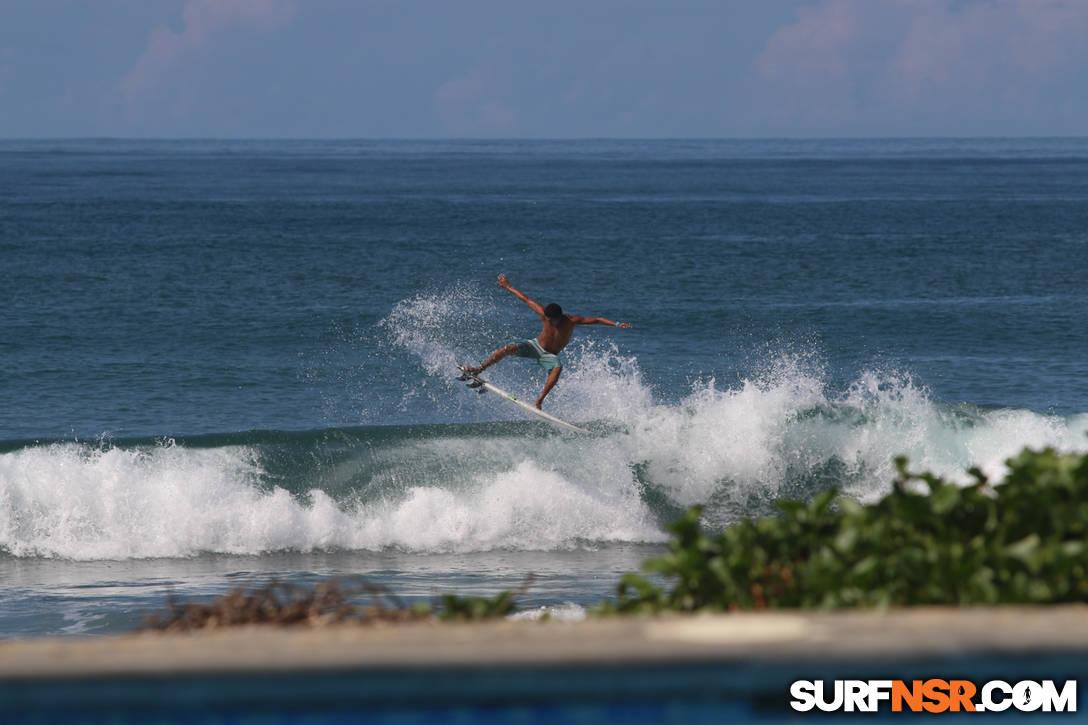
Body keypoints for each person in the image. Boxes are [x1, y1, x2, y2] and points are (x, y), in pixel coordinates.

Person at [465, 274, 631, 409]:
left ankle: (539, 401)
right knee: (508, 348)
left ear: (560, 317)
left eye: (553, 321)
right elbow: (526, 299)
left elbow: (596, 320)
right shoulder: (544, 314)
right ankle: (479, 369)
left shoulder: (571, 320)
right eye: (548, 320)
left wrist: (616, 324)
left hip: (549, 355)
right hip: (534, 345)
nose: (550, 323)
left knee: (557, 367)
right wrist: (508, 286)